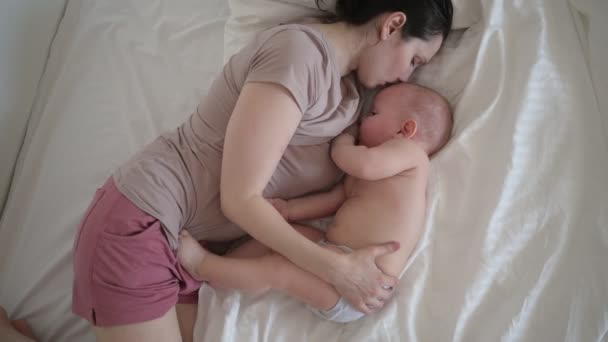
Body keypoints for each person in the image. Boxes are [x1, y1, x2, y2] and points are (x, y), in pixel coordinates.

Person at [66, 1, 454, 341]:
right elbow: (241, 199)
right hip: (145, 219)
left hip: (190, 246)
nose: (407, 77)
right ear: (392, 25)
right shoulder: (298, 54)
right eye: (415, 60)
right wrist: (337, 269)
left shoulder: (352, 98)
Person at [177, 83, 453, 323]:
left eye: (373, 113)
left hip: (357, 288)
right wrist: (289, 210)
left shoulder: (410, 156)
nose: (364, 121)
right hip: (334, 254)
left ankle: (205, 266)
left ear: (405, 129)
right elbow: (335, 200)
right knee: (287, 233)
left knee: (279, 270)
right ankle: (229, 267)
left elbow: (364, 165)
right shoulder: (376, 172)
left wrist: (343, 141)